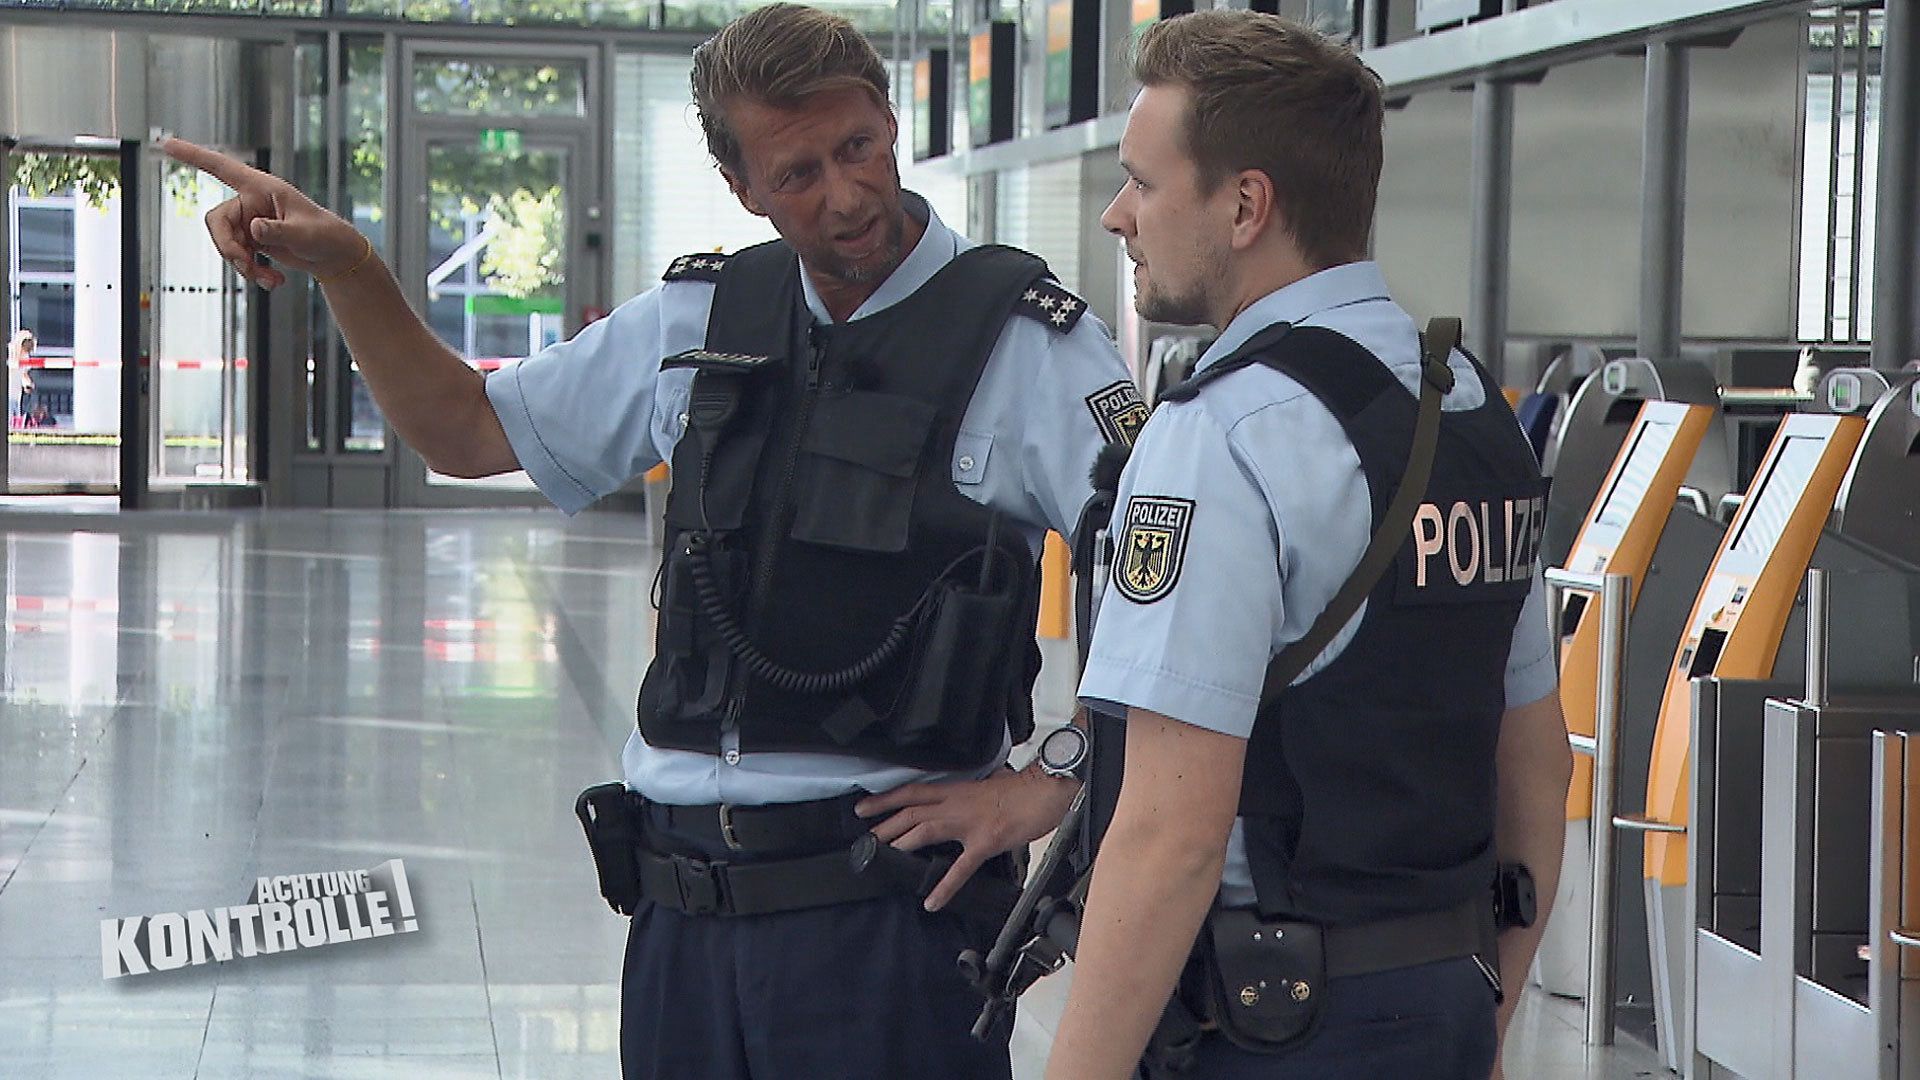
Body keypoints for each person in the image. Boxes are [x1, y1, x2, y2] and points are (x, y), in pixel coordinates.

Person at [163, 5, 1136, 1078]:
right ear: (742, 186)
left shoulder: (1031, 342)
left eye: (858, 146)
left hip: (887, 929)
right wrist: (352, 269)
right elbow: (467, 429)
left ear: (889, 119)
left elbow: (1175, 590)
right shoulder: (698, 317)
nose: (848, 194)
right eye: (798, 173)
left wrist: (1059, 776)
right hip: (682, 926)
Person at [1046, 12, 1573, 1080]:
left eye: (1143, 183)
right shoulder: (1472, 413)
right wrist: (1482, 1015)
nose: (1118, 215)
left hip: (1273, 1019)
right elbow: (1535, 762)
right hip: (1443, 994)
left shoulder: (1220, 437)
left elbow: (1170, 834)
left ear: (1246, 205)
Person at [8, 329, 34, 423]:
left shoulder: (26, 357)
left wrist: (28, 384)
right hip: (9, 390)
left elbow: (23, 374)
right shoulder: (10, 352)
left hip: (16, 393)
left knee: (15, 415)